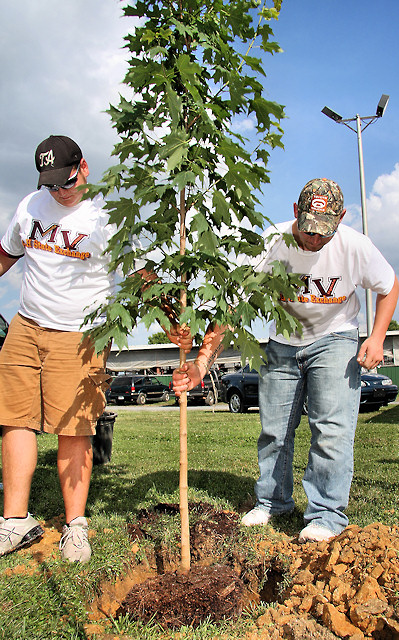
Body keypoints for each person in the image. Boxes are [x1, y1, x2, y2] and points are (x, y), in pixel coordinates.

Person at [173, 178, 399, 542]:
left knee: (331, 430)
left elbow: (389, 285)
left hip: (336, 337)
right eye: (309, 230)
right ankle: (273, 501)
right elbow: (232, 305)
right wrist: (202, 363)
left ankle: (326, 515)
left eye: (325, 232)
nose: (315, 240)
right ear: (296, 212)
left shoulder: (355, 246)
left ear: (341, 218)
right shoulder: (271, 243)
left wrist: (376, 337)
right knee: (275, 429)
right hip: (282, 342)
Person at [0, 135, 191, 562]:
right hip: (26, 326)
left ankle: (75, 527)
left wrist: (172, 323)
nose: (58, 192)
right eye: (49, 185)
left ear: (82, 168)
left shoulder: (108, 218)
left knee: (75, 429)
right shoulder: (30, 206)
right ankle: (15, 522)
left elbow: (143, 276)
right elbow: (6, 254)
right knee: (13, 419)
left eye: (65, 182)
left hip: (80, 335)